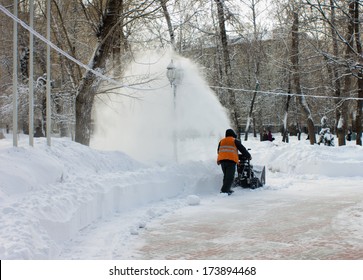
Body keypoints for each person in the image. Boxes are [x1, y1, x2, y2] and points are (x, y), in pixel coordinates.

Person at [217, 129, 251, 195]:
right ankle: (224, 191)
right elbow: (242, 149)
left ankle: (227, 189)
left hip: (222, 161)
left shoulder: (221, 141)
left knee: (226, 176)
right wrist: (248, 156)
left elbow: (218, 151)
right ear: (233, 134)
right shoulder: (234, 141)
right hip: (230, 161)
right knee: (230, 177)